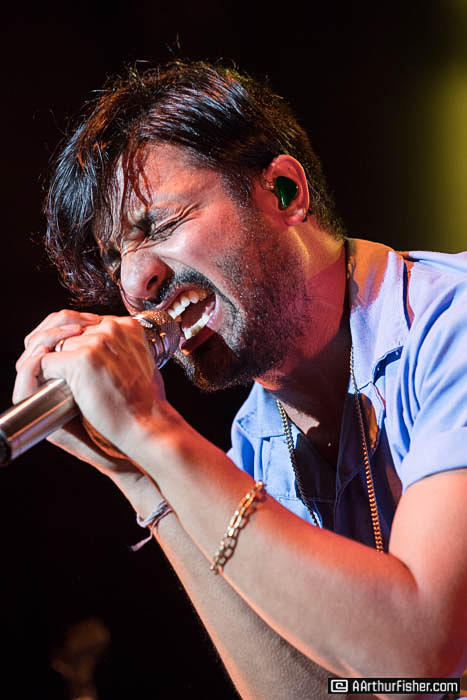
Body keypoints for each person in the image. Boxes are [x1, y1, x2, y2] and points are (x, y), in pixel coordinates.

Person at [14, 61, 467, 697]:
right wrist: (138, 475)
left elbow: (421, 652)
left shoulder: (452, 325)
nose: (136, 283)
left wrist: (154, 428)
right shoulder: (255, 440)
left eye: (159, 226)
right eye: (116, 259)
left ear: (284, 192)